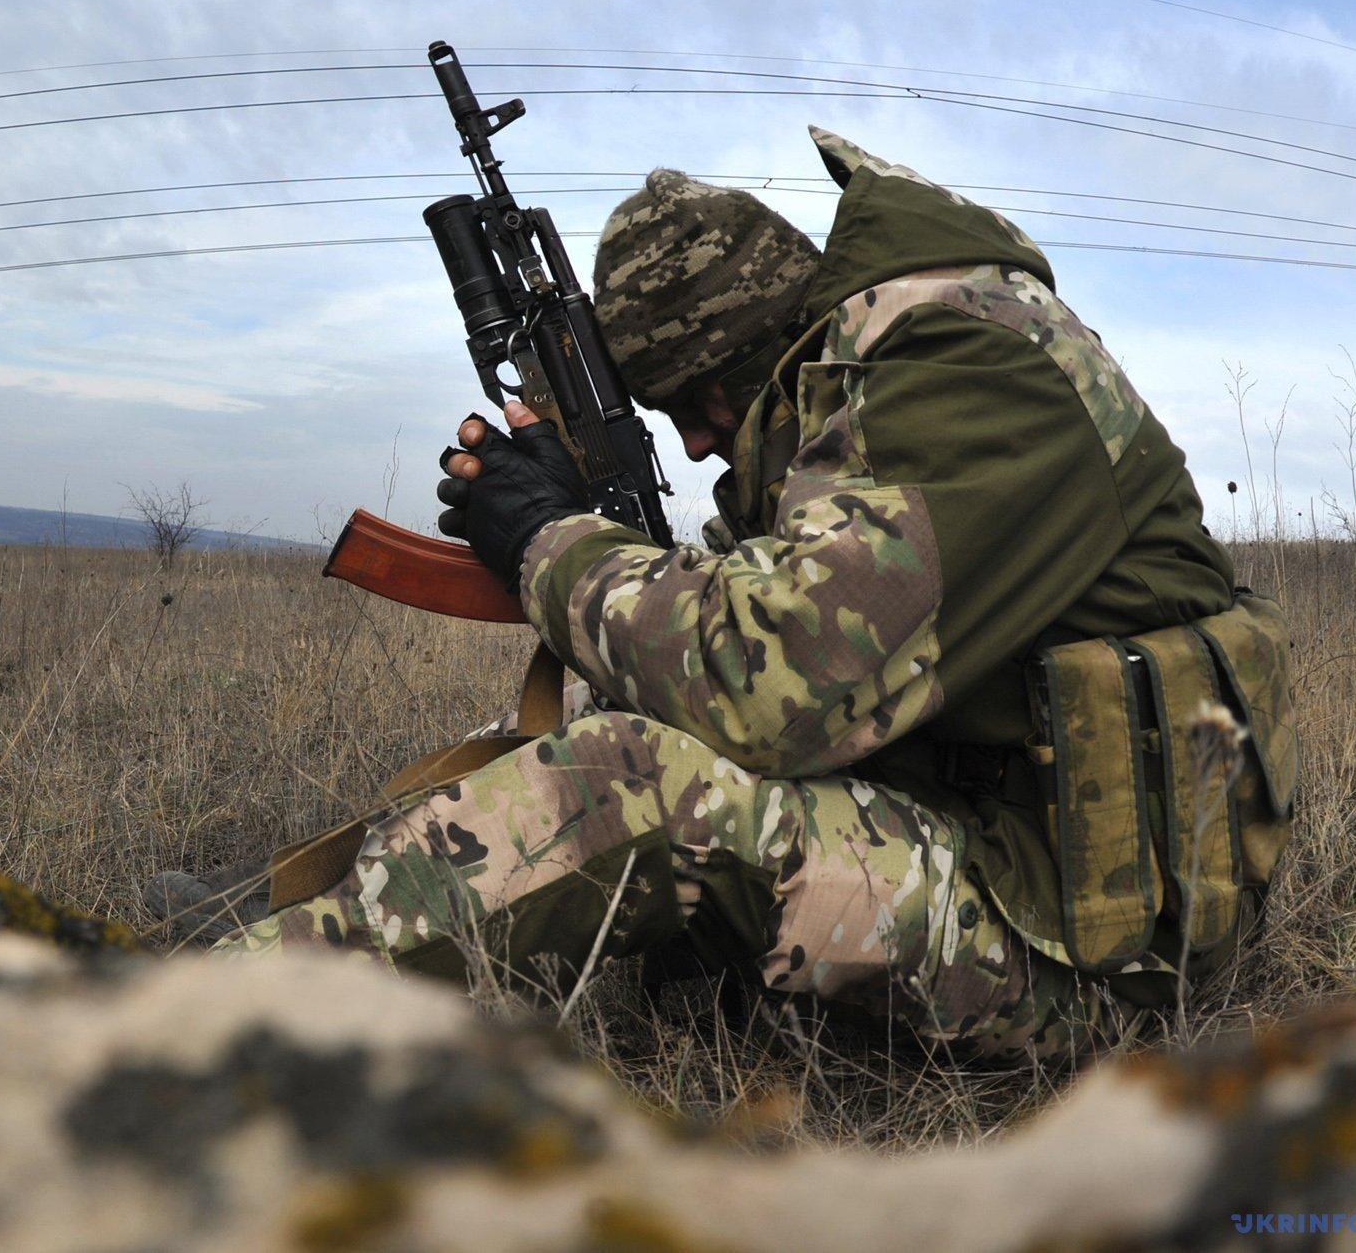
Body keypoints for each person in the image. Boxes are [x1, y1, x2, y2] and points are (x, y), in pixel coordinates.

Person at [200, 127, 1296, 1063]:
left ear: (770, 342)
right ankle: (279, 919)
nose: (696, 440)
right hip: (994, 853)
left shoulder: (972, 365)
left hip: (1100, 959)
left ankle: (186, 1023)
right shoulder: (883, 384)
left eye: (702, 397)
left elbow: (766, 688)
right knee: (624, 726)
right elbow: (732, 614)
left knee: (627, 780)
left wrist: (546, 540)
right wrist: (578, 523)